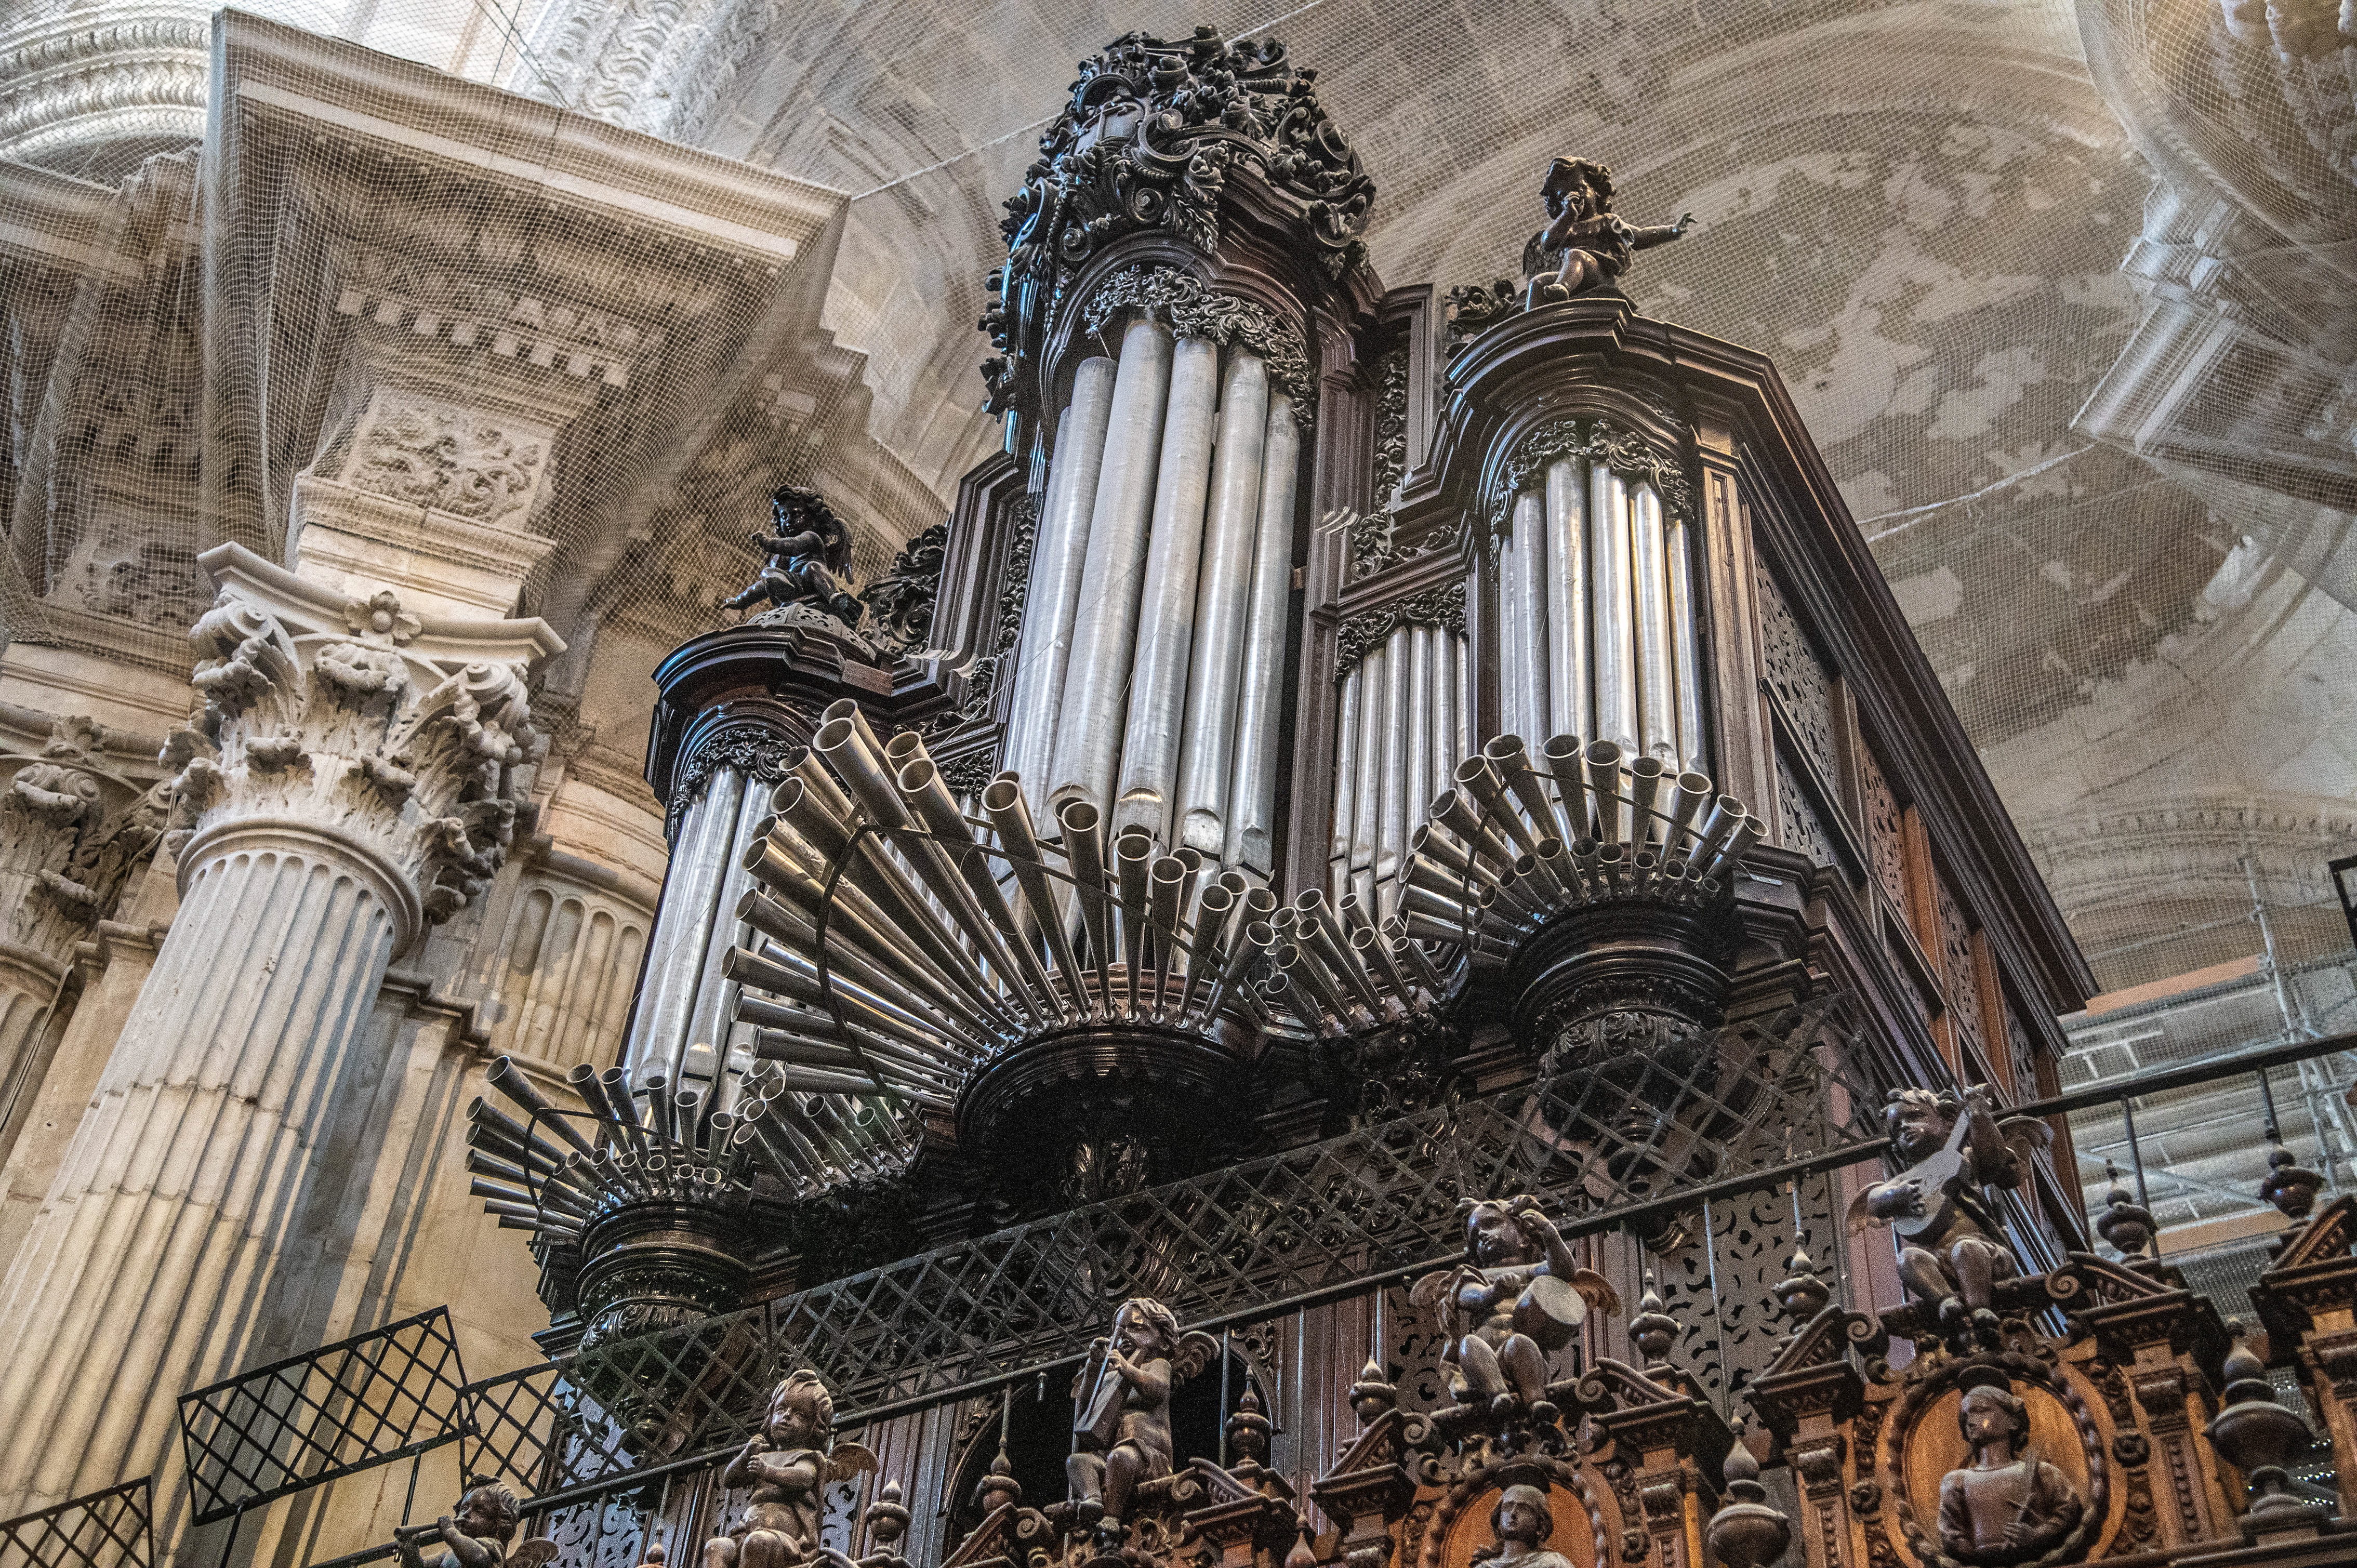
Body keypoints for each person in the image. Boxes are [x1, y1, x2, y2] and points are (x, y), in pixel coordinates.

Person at [1410, 1196, 1619, 1419]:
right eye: (1475, 1236)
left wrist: (1549, 1233)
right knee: (1469, 1345)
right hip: (1486, 1358)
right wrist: (1494, 1292)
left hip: (1524, 1358)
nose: (1481, 1234)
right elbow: (1471, 1297)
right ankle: (1497, 1394)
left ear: (1522, 1237)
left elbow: (1564, 1271)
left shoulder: (1531, 1271)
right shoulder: (1471, 1276)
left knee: (1519, 1343)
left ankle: (1535, 1399)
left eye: (1490, 1224)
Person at [1067, 1297, 1219, 1539]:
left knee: (1121, 1457)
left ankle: (1112, 1517)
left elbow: (1157, 1390)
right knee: (1077, 1461)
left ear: (1162, 1338)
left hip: (1148, 1455)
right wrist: (1094, 1364)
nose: (1125, 1335)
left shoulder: (1157, 1365)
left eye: (1136, 1328)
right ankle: (1093, 1499)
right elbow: (1085, 1405)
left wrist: (1126, 1369)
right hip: (1113, 1457)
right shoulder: (1113, 1373)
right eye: (1120, 1330)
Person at [705, 1370, 877, 1568]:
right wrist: (746, 1454)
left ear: (815, 1427)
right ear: (770, 1417)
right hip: (745, 1532)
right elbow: (730, 1479)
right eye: (780, 1410)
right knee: (715, 1547)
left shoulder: (807, 1457)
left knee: (757, 1543)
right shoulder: (763, 1455)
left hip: (786, 1543)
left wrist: (768, 1472)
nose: (786, 1417)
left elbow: (803, 1478)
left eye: (800, 1415)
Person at [1936, 1374, 2083, 1562]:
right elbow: (1951, 1534)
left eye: (1981, 1411)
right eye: (1966, 1415)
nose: (1971, 1421)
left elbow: (2068, 1511)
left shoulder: (2040, 1472)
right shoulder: (1957, 1480)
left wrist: (2037, 1536)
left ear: (2013, 1421)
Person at [1522, 157, 1693, 306]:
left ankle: (1562, 288)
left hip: (1597, 273)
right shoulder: (1567, 226)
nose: (1573, 197)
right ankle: (1529, 328)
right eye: (1564, 196)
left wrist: (1672, 231)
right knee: (1537, 283)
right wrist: (1568, 215)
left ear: (1596, 191)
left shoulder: (1606, 221)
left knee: (1576, 255)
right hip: (1570, 273)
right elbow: (1547, 243)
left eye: (1580, 189)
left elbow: (1639, 237)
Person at [721, 486, 863, 627]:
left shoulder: (811, 537)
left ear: (813, 519)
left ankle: (833, 596)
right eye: (784, 516)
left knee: (811, 567)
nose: (788, 521)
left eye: (795, 515)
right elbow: (762, 586)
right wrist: (740, 601)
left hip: (811, 579)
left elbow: (793, 546)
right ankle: (788, 595)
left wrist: (766, 542)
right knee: (768, 573)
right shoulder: (783, 558)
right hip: (797, 584)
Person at [395, 1482, 553, 1568]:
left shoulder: (491, 1545)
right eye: (464, 1508)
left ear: (498, 1524)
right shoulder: (450, 1554)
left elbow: (478, 1559)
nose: (467, 1514)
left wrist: (451, 1532)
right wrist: (410, 1552)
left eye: (479, 1510)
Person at [1475, 1483, 1578, 1568]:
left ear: (1540, 1524)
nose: (1513, 1513)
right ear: (1498, 1522)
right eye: (1507, 1507)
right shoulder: (1485, 1567)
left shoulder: (1554, 1564)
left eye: (1524, 1509)